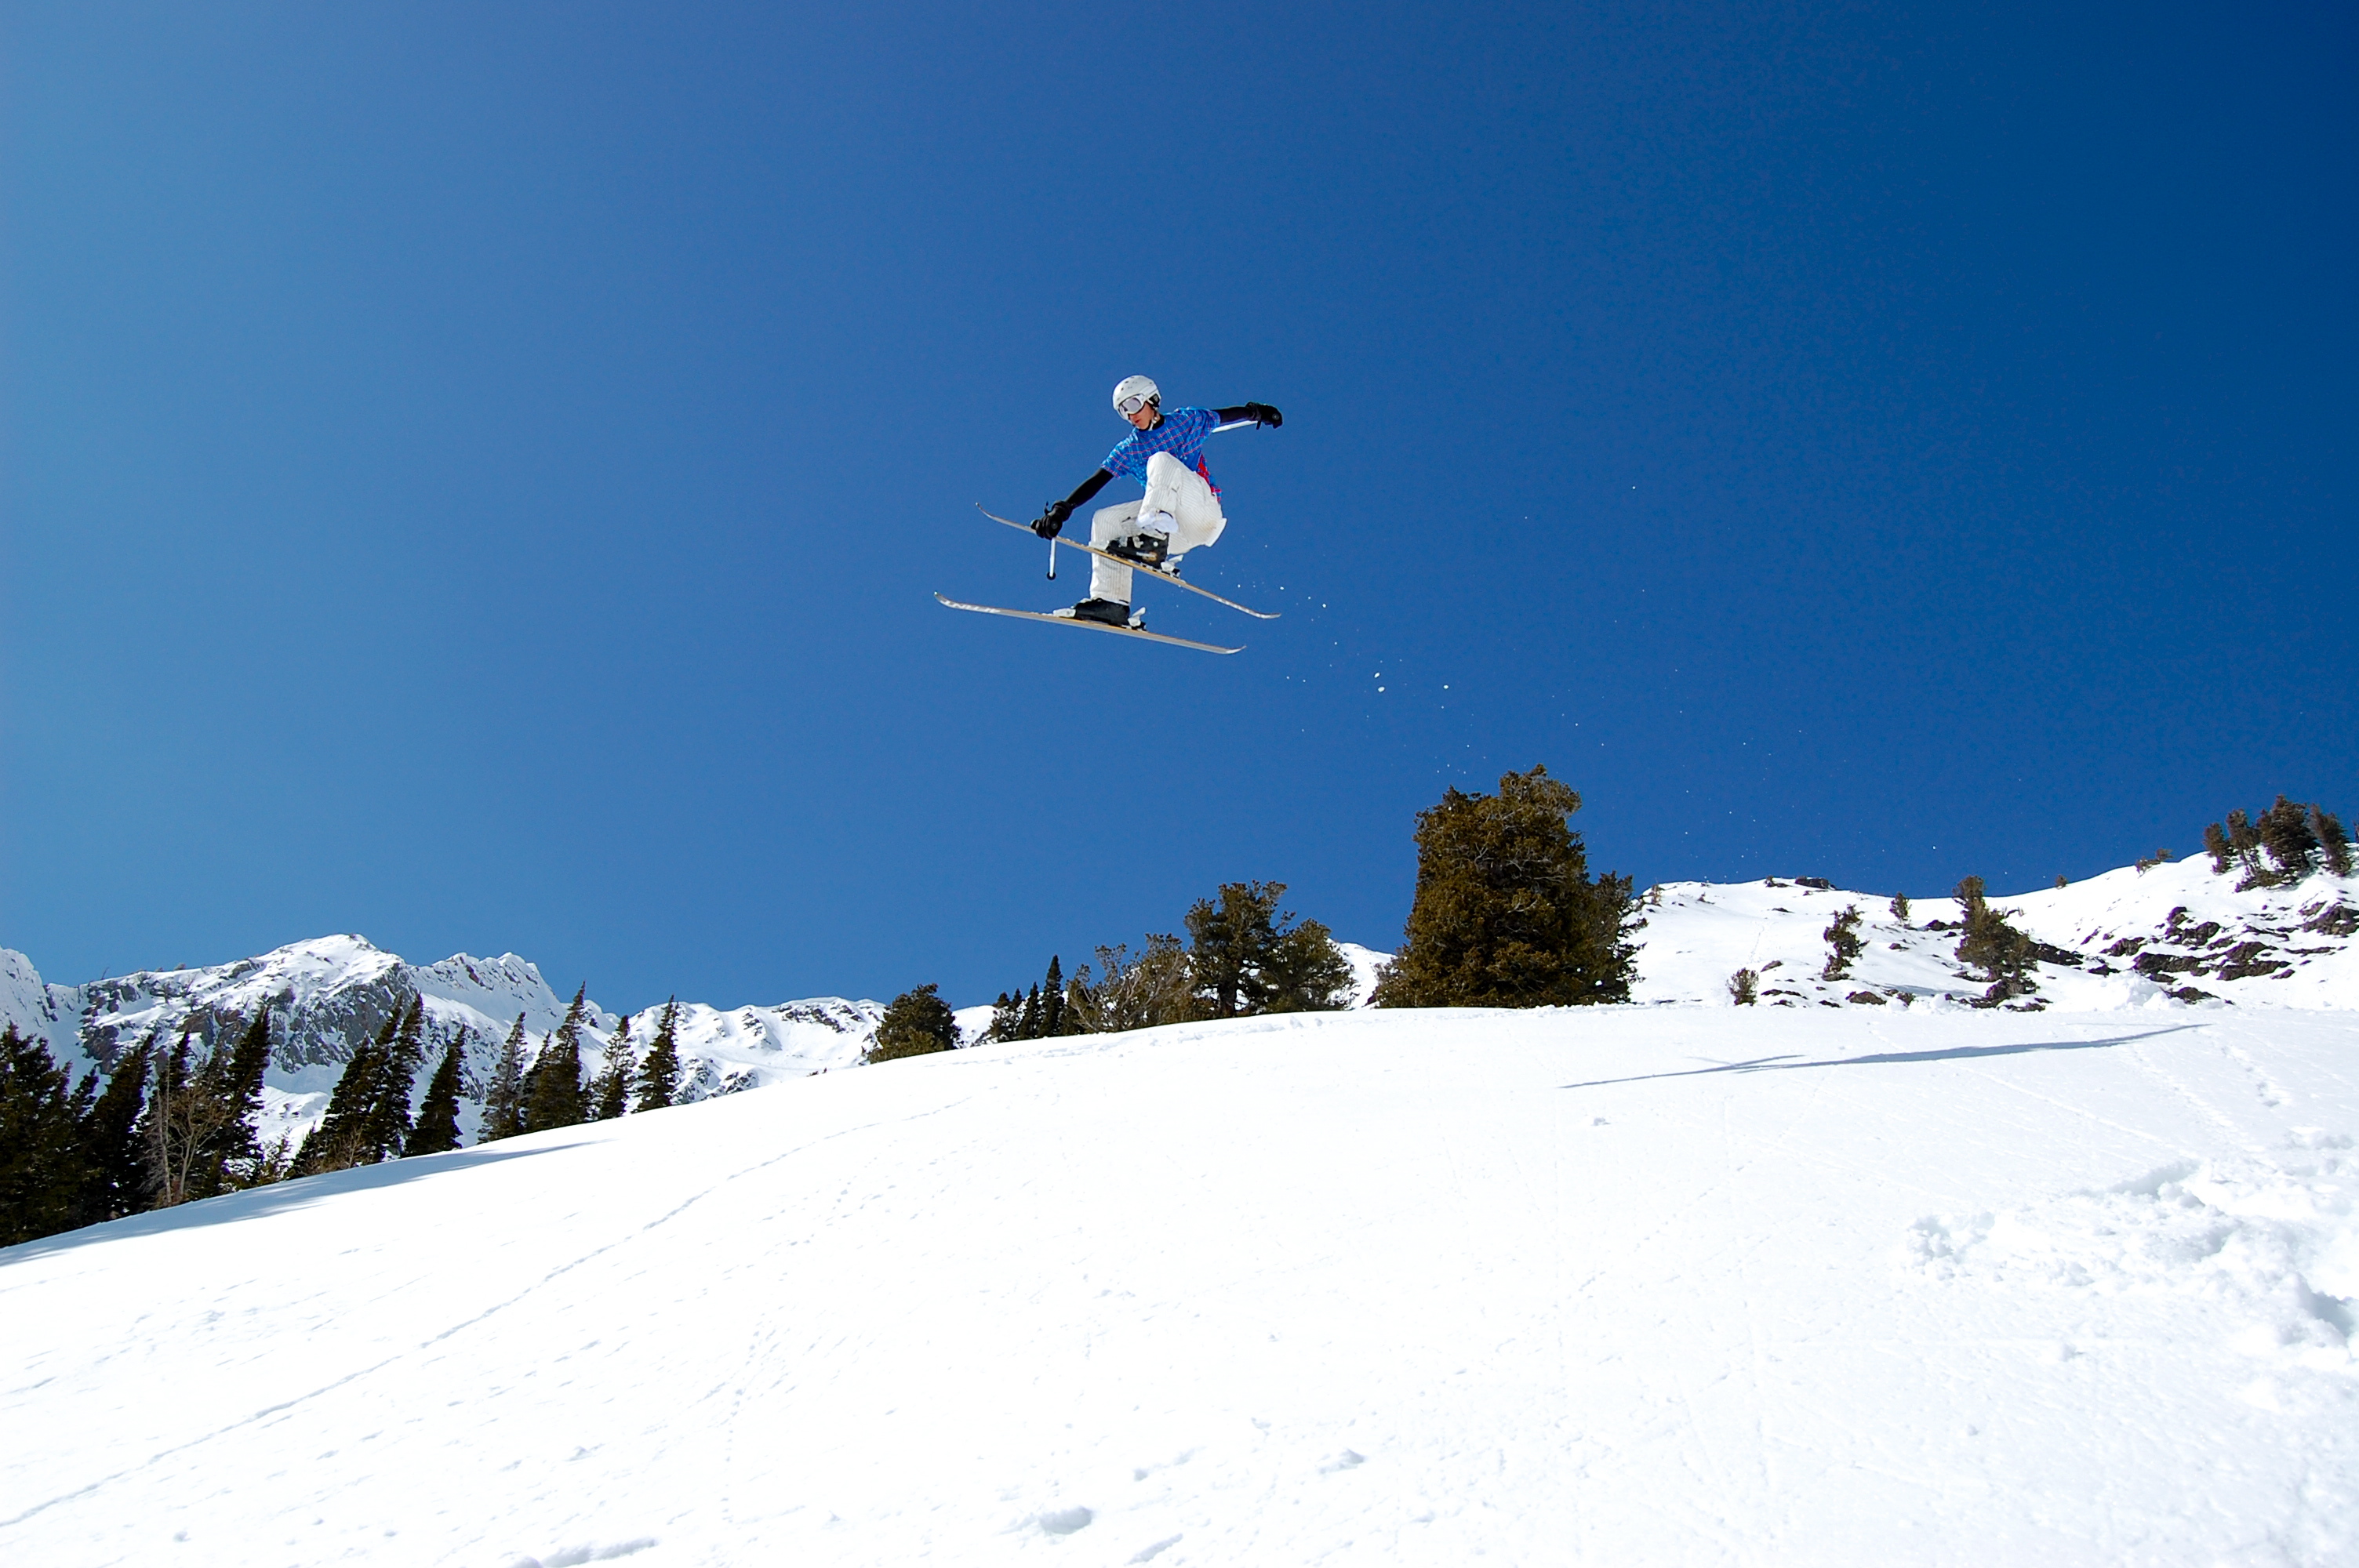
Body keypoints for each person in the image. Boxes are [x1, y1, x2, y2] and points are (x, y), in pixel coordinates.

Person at [1030, 376, 1282, 626]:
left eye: (1132, 406)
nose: (1130, 416)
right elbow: (1097, 480)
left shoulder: (1187, 421)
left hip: (1201, 511)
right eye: (1122, 411)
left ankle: (1153, 538)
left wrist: (1258, 412)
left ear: (1152, 399)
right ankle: (1111, 603)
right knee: (1105, 520)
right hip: (1176, 534)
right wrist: (1061, 511)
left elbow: (1225, 415)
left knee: (1161, 460)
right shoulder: (1129, 448)